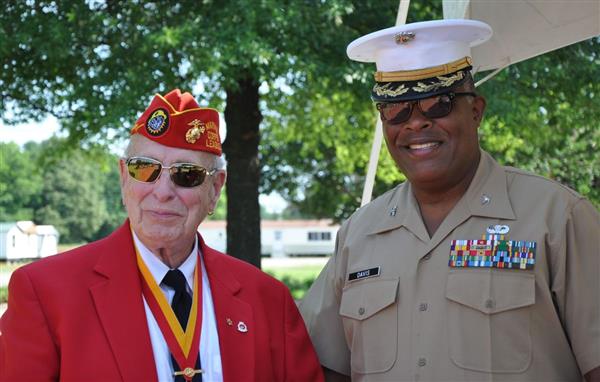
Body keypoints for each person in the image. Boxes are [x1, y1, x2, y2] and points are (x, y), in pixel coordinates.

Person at [299, 19, 600, 382]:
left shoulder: (558, 217)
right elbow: (323, 367)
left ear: (476, 111)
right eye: (397, 110)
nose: (416, 124)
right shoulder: (359, 234)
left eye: (437, 104)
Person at [0, 89, 324, 382]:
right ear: (124, 177)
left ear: (215, 189)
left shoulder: (268, 300)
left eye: (187, 175)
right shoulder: (46, 294)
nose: (163, 192)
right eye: (145, 169)